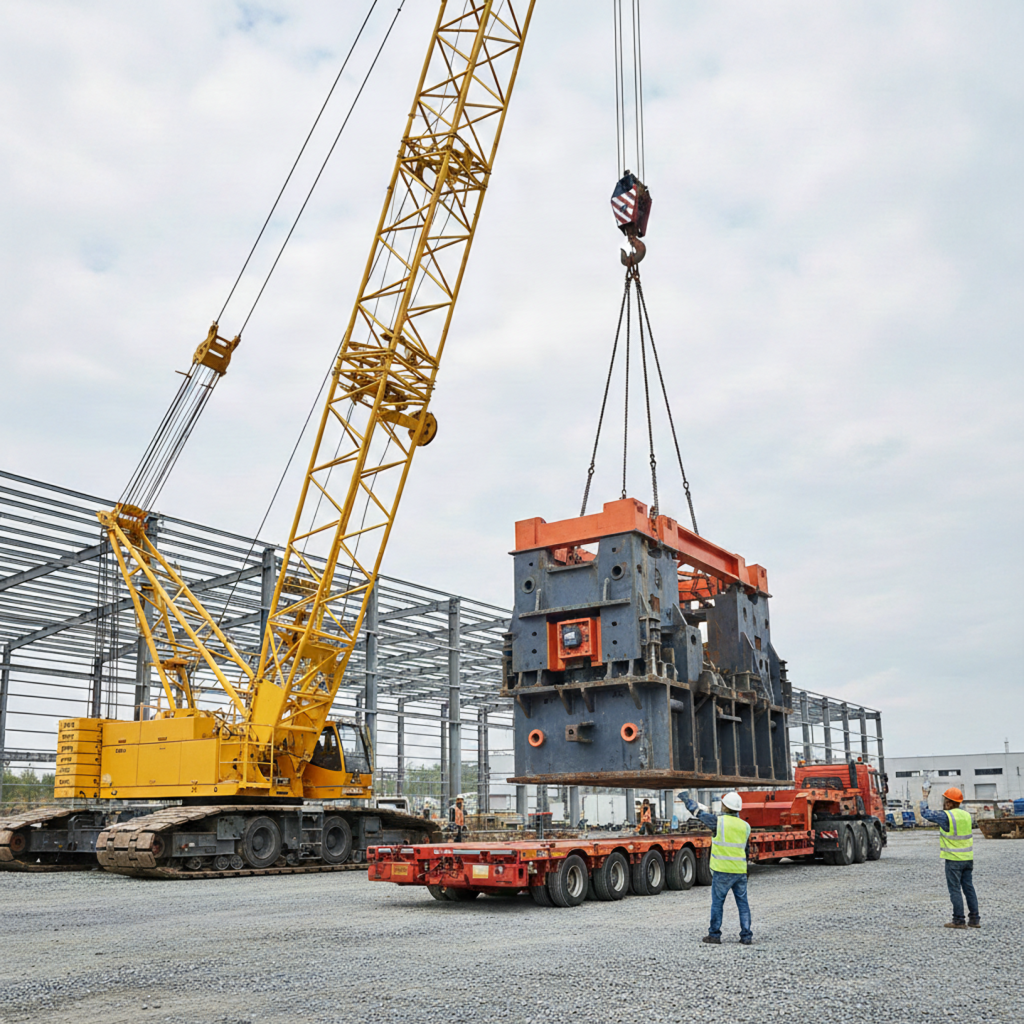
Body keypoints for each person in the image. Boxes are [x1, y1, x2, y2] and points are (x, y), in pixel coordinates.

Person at [682, 791, 753, 946]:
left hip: (722, 871)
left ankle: (714, 935)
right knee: (743, 904)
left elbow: (698, 813)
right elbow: (746, 850)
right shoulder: (745, 826)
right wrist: (746, 870)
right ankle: (746, 936)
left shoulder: (718, 822)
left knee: (717, 904)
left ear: (725, 807)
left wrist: (687, 800)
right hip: (740, 871)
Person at [919, 786, 979, 929]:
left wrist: (925, 797)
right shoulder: (966, 816)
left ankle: (959, 920)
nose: (943, 803)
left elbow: (925, 813)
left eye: (945, 800)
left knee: (955, 890)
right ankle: (975, 920)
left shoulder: (947, 816)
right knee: (969, 888)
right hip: (968, 858)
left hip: (953, 860)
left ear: (950, 803)